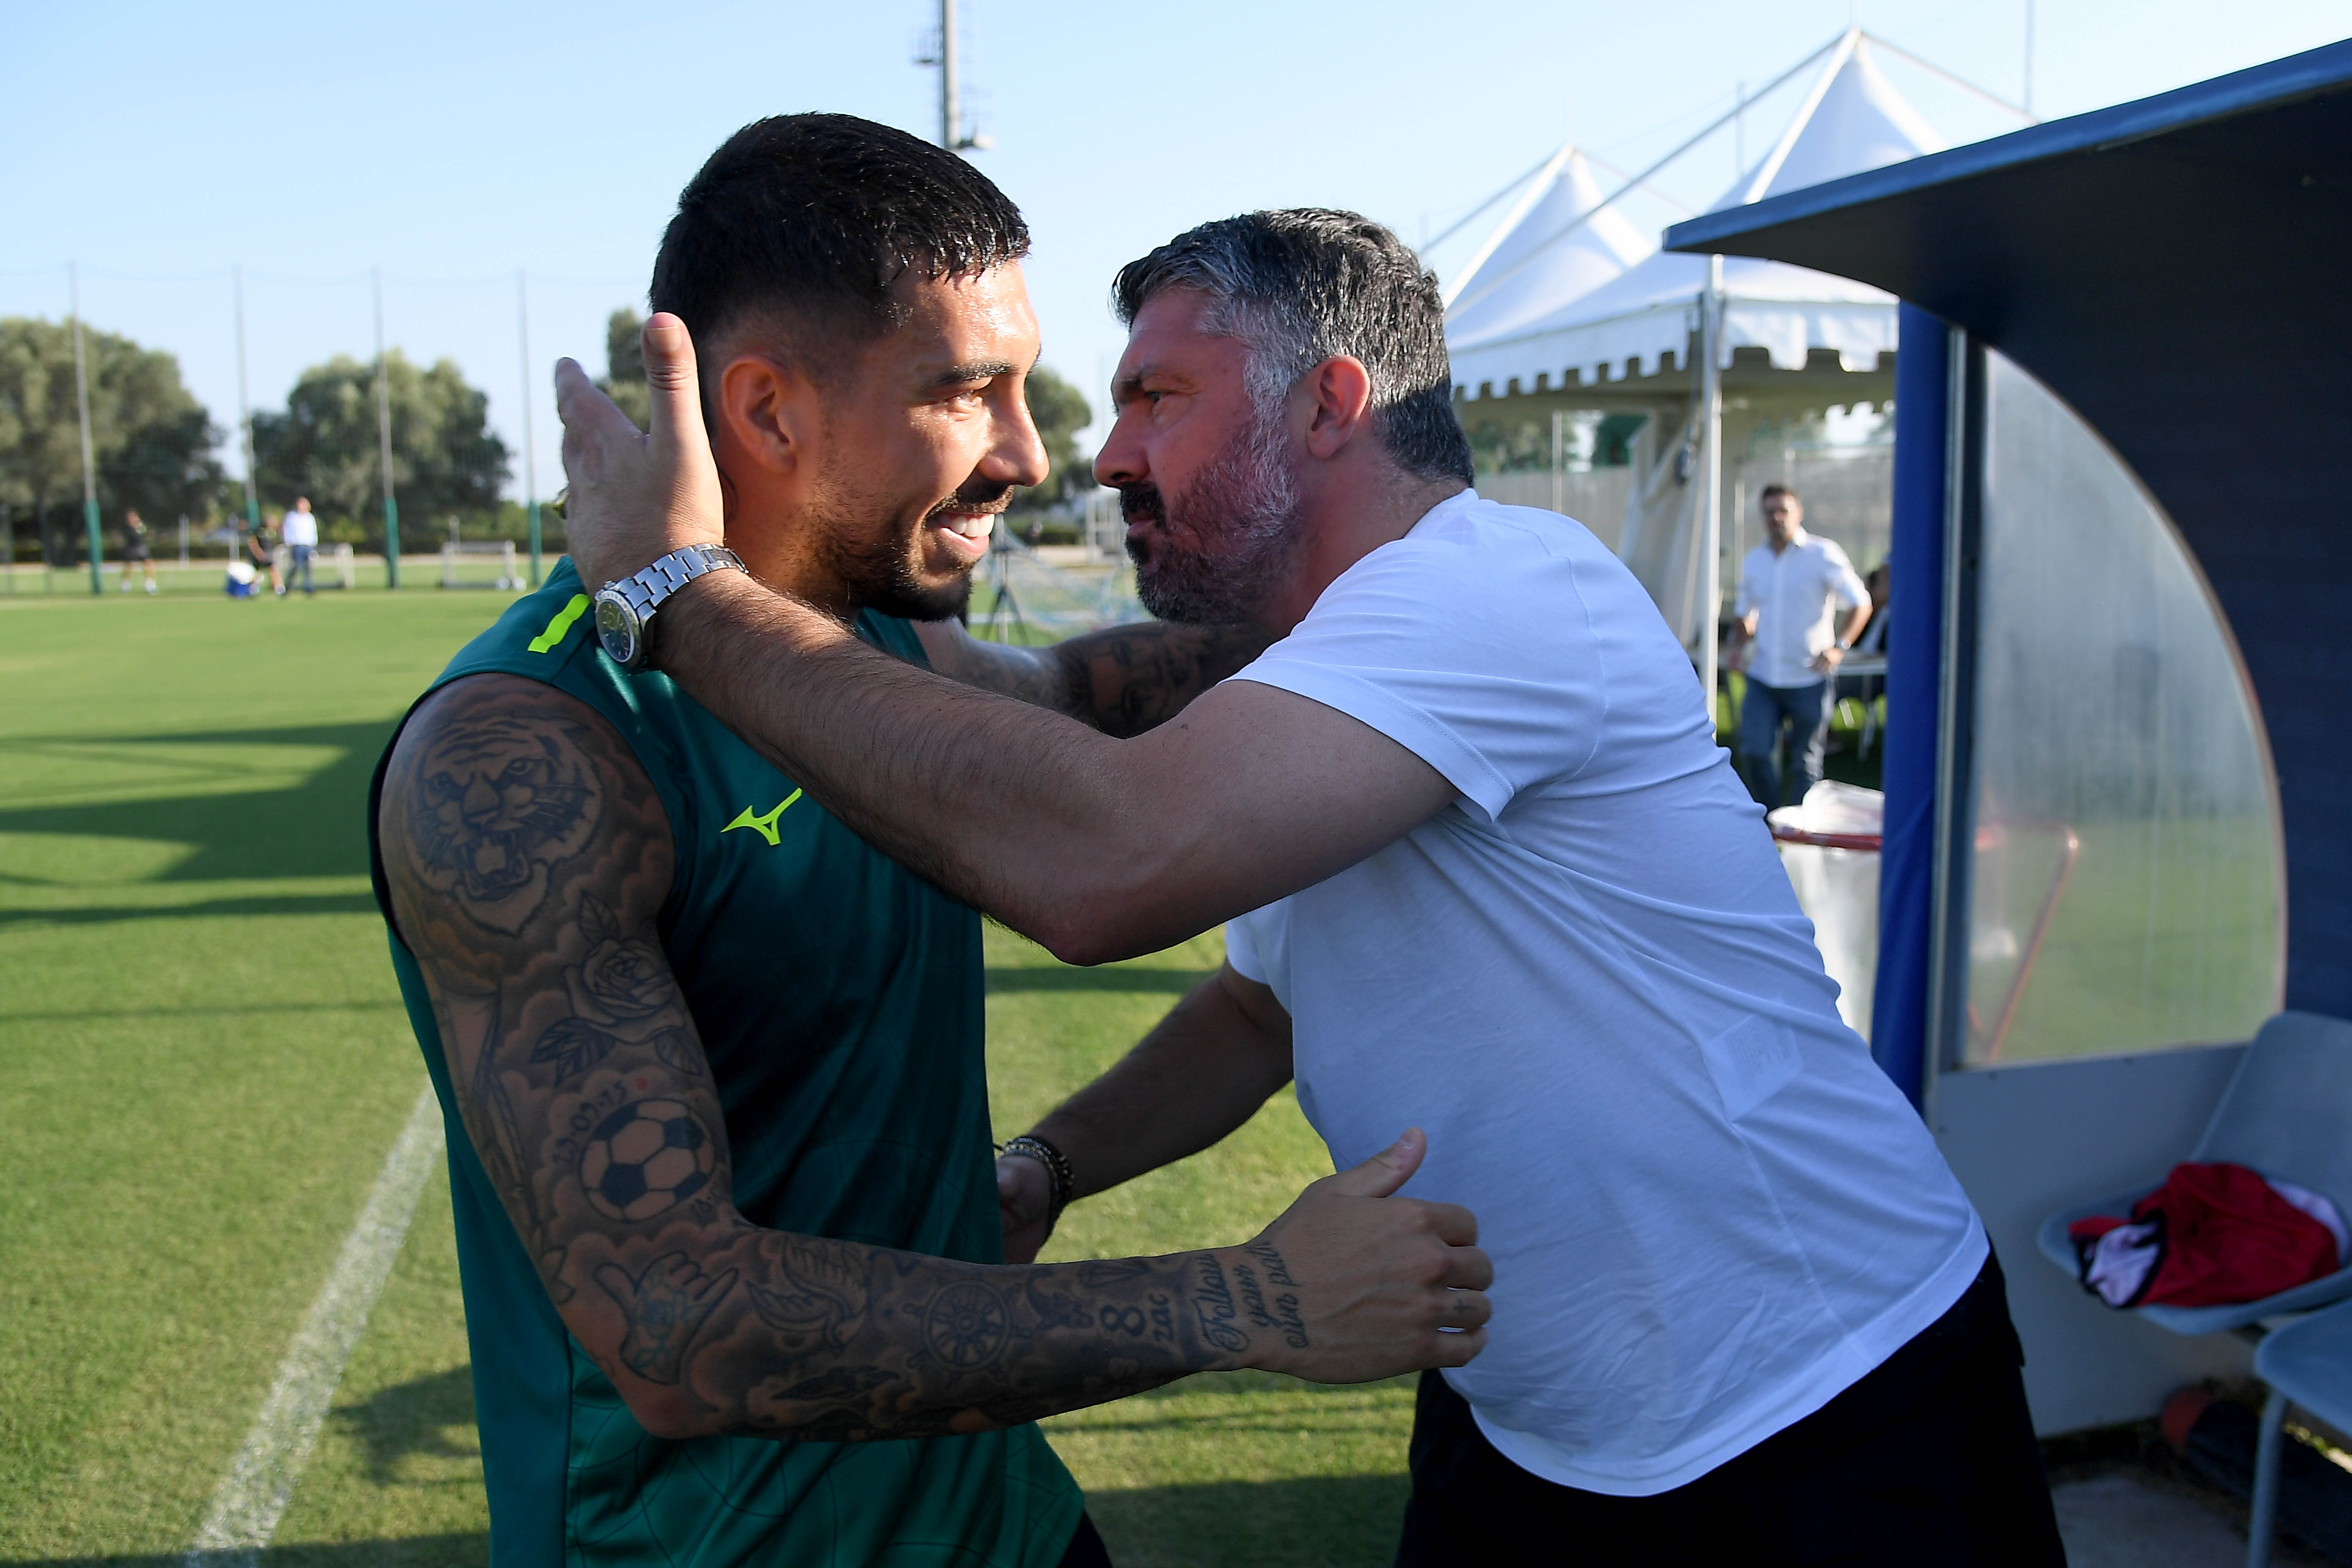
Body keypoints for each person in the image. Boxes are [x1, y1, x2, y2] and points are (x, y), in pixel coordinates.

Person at [555, 207, 2065, 1565]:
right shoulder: (1314, 673)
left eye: (1158, 396)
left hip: (1817, 1392)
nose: (1106, 451)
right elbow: (1257, 1008)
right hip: (1524, 1414)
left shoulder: (1492, 583)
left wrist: (679, 593)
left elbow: (1100, 867)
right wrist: (1053, 1165)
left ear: (1331, 402)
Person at [371, 118, 1488, 1568]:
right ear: (767, 414)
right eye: (971, 392)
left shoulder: (878, 641)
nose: (1030, 454)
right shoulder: (525, 751)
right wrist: (1249, 1300)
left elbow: (1075, 696)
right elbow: (672, 1322)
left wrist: (1387, 598)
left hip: (994, 1516)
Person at [1727, 484, 1871, 808]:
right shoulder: (1755, 561)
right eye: (1769, 512)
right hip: (1764, 675)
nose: (1776, 518)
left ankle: (1798, 829)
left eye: (1783, 511)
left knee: (1805, 762)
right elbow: (1745, 614)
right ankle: (1773, 819)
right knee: (1755, 751)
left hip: (1809, 676)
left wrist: (1840, 646)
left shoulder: (1823, 554)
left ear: (1798, 514)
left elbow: (1861, 603)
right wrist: (1740, 643)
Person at [279, 496, 318, 596]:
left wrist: (314, 545)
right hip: (296, 546)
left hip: (308, 546)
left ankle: (309, 588)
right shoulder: (292, 516)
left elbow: (313, 532)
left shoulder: (310, 518)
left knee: (308, 568)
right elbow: (286, 531)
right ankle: (288, 587)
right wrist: (288, 543)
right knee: (296, 567)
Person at [117, 509, 157, 595]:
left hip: (141, 547)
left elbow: (144, 534)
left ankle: (150, 584)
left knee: (148, 564)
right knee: (129, 566)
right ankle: (125, 585)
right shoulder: (126, 528)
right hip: (131, 548)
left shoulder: (140, 526)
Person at [244, 512, 283, 597]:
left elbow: (276, 543)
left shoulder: (273, 532)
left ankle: (279, 587)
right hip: (260, 554)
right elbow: (252, 542)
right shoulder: (259, 531)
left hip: (269, 555)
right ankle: (252, 588)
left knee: (273, 569)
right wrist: (258, 553)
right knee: (258, 572)